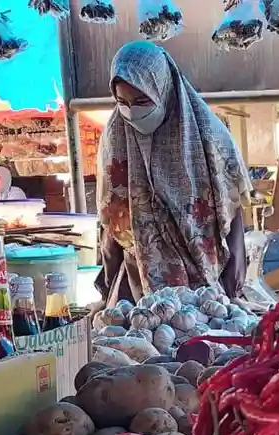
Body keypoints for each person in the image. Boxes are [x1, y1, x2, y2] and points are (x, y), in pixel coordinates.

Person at [95, 41, 251, 304]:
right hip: (140, 286)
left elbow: (231, 210)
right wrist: (109, 286)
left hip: (206, 282)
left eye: (143, 100)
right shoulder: (116, 138)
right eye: (123, 102)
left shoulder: (208, 137)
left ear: (164, 89)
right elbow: (111, 217)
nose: (132, 112)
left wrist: (232, 283)